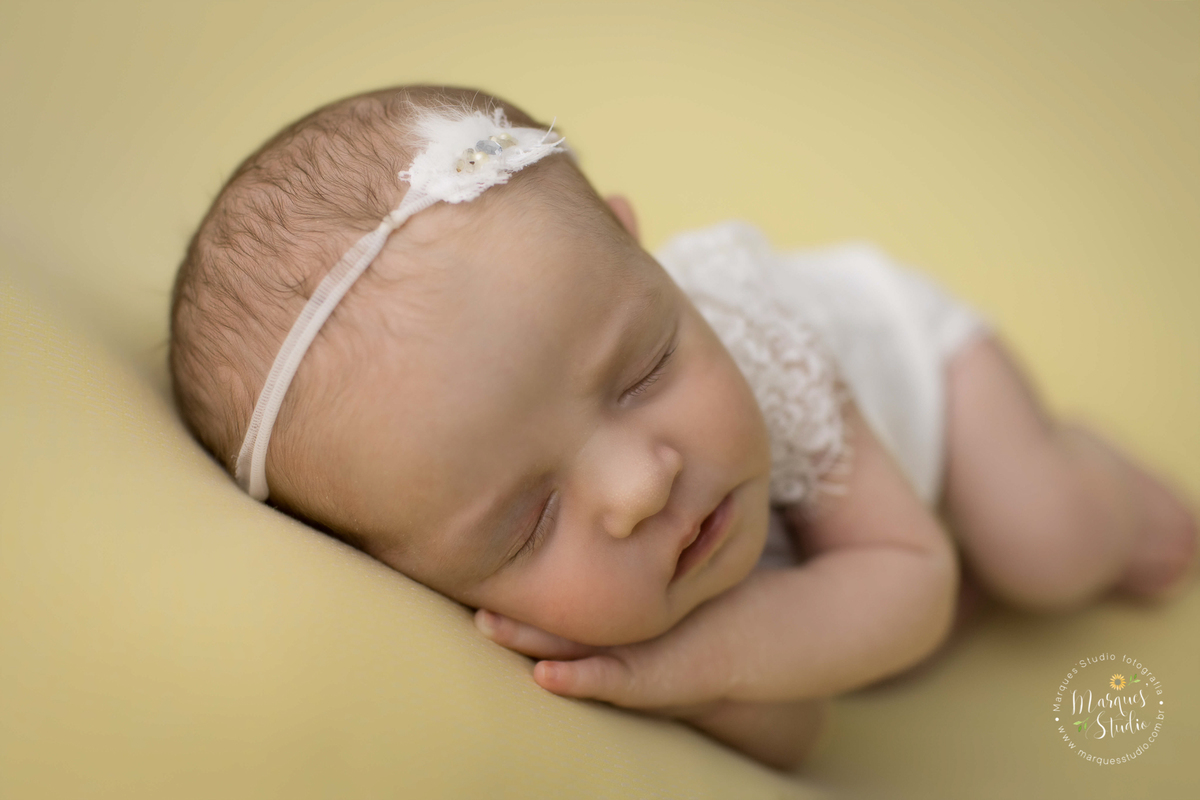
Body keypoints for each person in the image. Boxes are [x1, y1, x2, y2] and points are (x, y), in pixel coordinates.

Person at [169, 85, 1198, 771]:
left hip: (924, 379)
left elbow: (905, 581)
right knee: (877, 657)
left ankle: (1090, 469)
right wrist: (709, 676)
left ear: (640, 252)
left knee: (1045, 543)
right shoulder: (521, 565)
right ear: (405, 565)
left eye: (642, 368)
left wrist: (685, 661)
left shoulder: (756, 335)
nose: (639, 484)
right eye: (529, 519)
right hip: (847, 545)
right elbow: (795, 734)